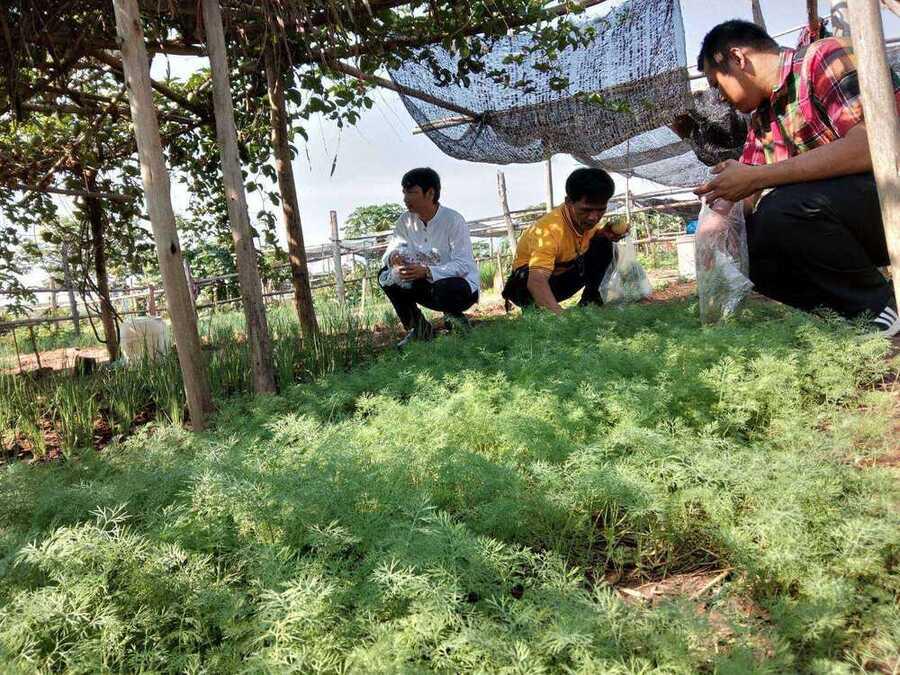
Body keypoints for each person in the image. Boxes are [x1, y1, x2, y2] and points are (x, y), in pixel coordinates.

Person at [694, 20, 900, 336]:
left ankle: (877, 308)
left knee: (782, 208)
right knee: (751, 247)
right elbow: (745, 190)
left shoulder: (823, 58)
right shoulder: (763, 119)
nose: (719, 98)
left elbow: (873, 146)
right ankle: (848, 317)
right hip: (857, 219)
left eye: (716, 84)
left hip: (891, 196)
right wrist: (716, 230)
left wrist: (758, 177)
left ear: (737, 58)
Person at [379, 167, 479, 347]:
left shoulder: (453, 220)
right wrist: (393, 257)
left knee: (446, 285)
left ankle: (456, 322)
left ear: (430, 193)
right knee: (385, 276)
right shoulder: (405, 221)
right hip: (424, 286)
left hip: (460, 288)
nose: (406, 198)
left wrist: (427, 271)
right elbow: (390, 250)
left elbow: (463, 265)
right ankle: (419, 329)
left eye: (412, 192)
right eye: (404, 192)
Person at [502, 167, 623, 314]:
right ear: (568, 202)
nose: (593, 217)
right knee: (530, 281)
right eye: (586, 210)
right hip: (526, 286)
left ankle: (590, 301)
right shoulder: (548, 230)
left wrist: (604, 233)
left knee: (604, 243)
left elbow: (591, 245)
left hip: (561, 279)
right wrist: (561, 317)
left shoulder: (588, 222)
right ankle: (536, 311)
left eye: (600, 210)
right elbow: (536, 280)